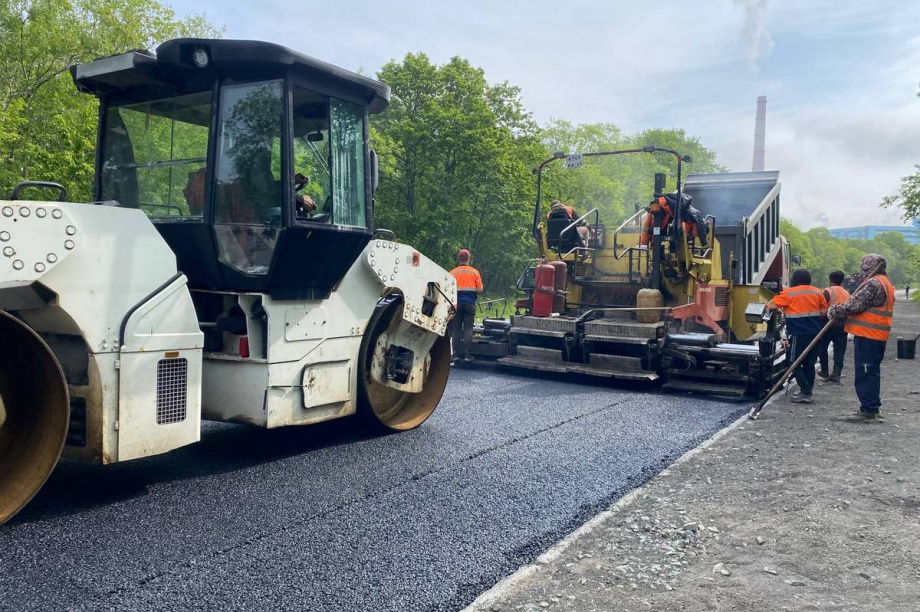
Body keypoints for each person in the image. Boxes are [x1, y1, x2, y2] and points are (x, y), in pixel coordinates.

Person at [827, 254, 895, 421]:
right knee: (871, 371)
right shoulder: (886, 283)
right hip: (877, 336)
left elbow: (854, 305)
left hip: (868, 336)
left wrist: (835, 310)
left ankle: (868, 410)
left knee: (865, 372)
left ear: (867, 267)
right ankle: (872, 406)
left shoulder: (873, 283)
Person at [766, 268, 828, 404]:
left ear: (794, 280)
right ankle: (807, 391)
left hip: (798, 335)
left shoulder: (789, 293)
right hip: (815, 334)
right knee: (809, 364)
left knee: (792, 362)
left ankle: (806, 391)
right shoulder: (817, 292)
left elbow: (770, 305)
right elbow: (824, 312)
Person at [449, 249, 483, 364]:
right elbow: (480, 290)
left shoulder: (453, 273)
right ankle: (468, 355)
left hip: (456, 305)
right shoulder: (474, 272)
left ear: (459, 258)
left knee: (456, 329)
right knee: (468, 329)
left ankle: (455, 355)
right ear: (469, 259)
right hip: (470, 304)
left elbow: (448, 290)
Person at [817, 270, 850, 384]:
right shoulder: (847, 293)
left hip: (828, 324)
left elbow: (821, 308)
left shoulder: (827, 291)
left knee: (822, 348)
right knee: (839, 351)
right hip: (843, 326)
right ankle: (836, 375)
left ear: (830, 280)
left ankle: (824, 371)